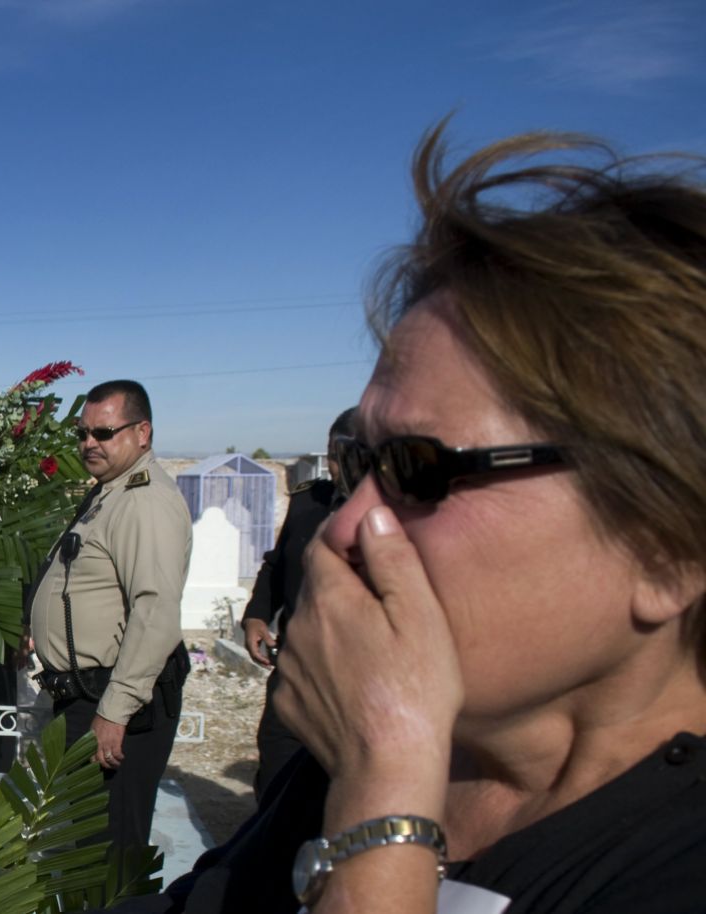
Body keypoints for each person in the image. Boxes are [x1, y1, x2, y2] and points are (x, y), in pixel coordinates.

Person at [104, 128, 706, 914]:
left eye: (420, 472)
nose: (345, 529)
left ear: (667, 550)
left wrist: (380, 818)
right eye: (359, 463)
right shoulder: (394, 747)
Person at [28, 379, 192, 853]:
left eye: (103, 433)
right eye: (82, 434)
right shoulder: (112, 490)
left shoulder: (144, 499)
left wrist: (114, 711)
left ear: (143, 432)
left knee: (108, 849)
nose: (88, 444)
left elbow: (156, 610)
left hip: (118, 700)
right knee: (85, 840)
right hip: (89, 691)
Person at [240, 407, 355, 800]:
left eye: (343, 459)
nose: (335, 469)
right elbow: (276, 564)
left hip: (350, 680)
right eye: (332, 457)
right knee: (276, 773)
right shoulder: (309, 503)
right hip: (292, 669)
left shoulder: (392, 516)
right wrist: (256, 614)